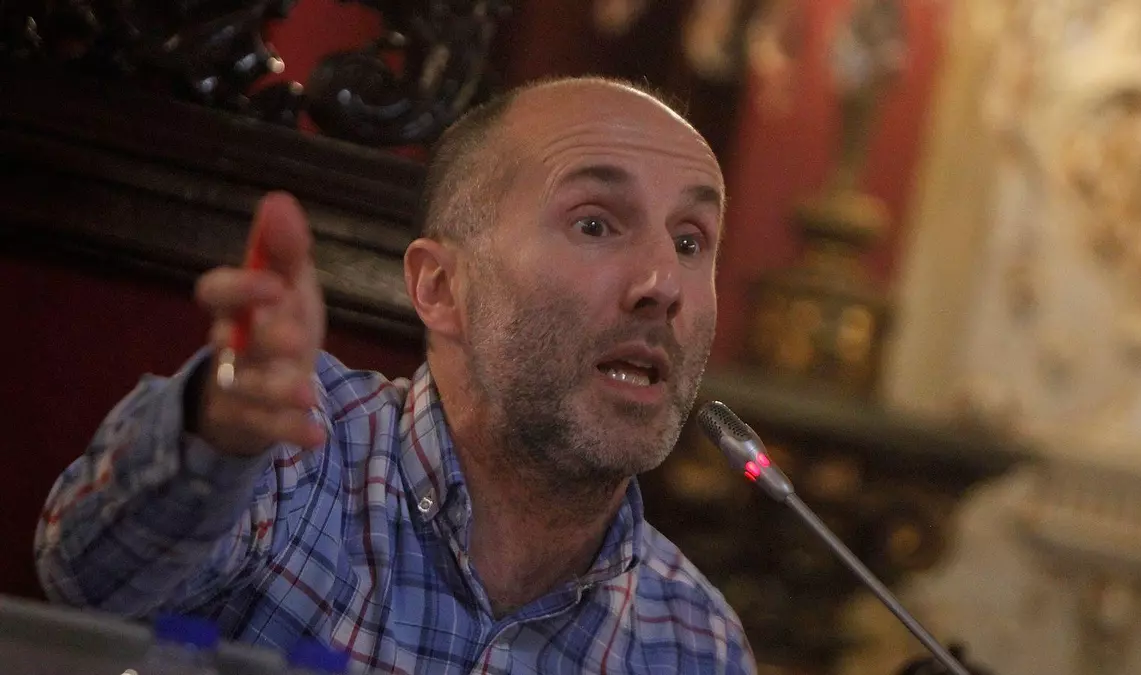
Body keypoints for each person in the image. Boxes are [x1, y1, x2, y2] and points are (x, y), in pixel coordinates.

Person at [34, 76, 756, 674]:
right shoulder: (295, 452)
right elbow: (86, 579)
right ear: (440, 287)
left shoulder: (698, 643)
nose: (664, 283)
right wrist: (216, 440)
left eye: (691, 241)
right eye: (595, 224)